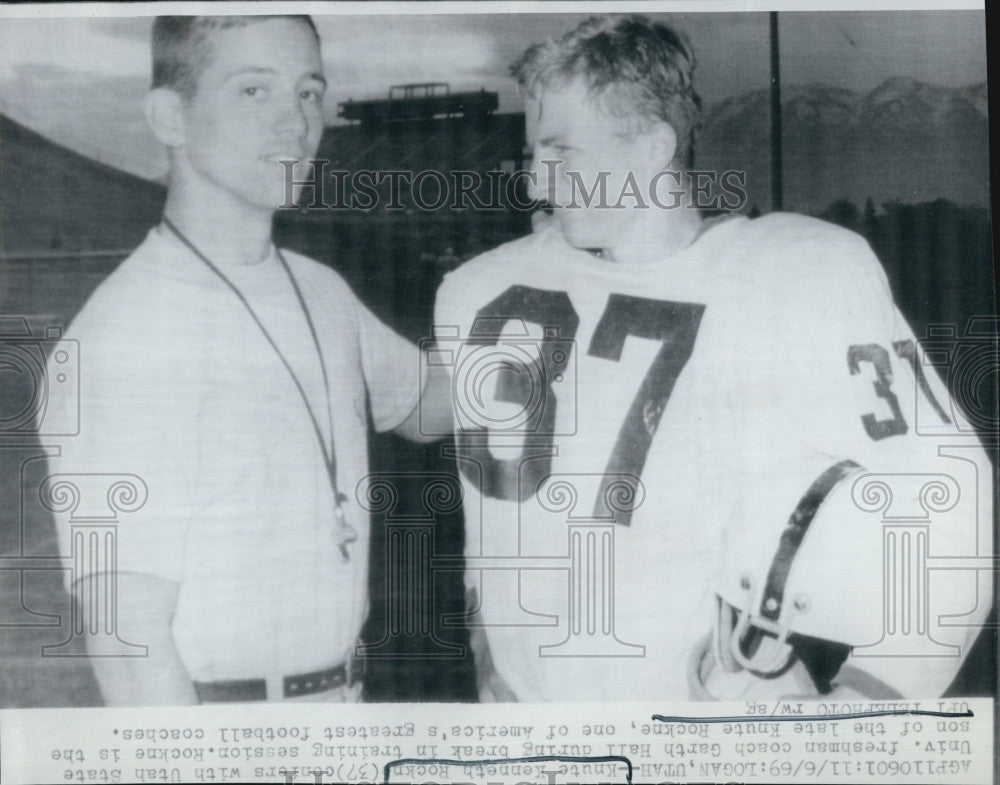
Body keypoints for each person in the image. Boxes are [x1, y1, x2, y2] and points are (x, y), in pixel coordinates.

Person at [435, 14, 992, 701]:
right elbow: (485, 517)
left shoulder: (796, 275)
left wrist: (869, 697)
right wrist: (484, 643)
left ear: (651, 149)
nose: (536, 184)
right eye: (531, 155)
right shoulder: (483, 289)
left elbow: (949, 496)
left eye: (561, 153)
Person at [46, 15, 450, 705]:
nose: (297, 125)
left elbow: (428, 406)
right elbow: (129, 649)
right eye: (253, 92)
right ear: (170, 115)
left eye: (308, 93)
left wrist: (533, 275)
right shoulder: (121, 339)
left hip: (345, 709)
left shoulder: (321, 290)